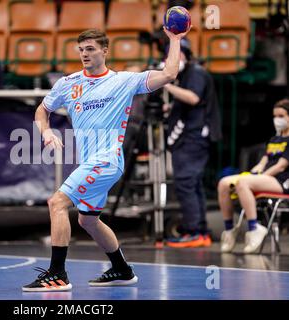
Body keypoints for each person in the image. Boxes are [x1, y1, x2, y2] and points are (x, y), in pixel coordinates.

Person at [23, 27, 189, 292]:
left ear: (104, 51)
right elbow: (42, 110)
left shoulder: (123, 81)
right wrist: (46, 132)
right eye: (81, 50)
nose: (85, 54)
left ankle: (57, 274)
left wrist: (175, 39)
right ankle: (122, 269)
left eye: (90, 49)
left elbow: (170, 73)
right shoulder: (68, 83)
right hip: (89, 162)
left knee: (57, 203)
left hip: (107, 160)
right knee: (87, 220)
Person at [162, 38, 221, 248]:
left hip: (193, 137)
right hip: (190, 136)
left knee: (186, 182)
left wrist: (166, 83)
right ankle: (200, 231)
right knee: (192, 184)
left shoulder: (195, 73)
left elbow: (193, 98)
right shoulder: (187, 74)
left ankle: (194, 231)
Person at [218, 99, 289, 254]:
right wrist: (255, 171)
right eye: (275, 116)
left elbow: (281, 166)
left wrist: (257, 178)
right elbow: (264, 161)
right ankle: (230, 230)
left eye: (281, 116)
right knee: (224, 183)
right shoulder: (274, 139)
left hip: (282, 182)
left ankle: (254, 228)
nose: (277, 119)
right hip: (265, 178)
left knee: (243, 182)